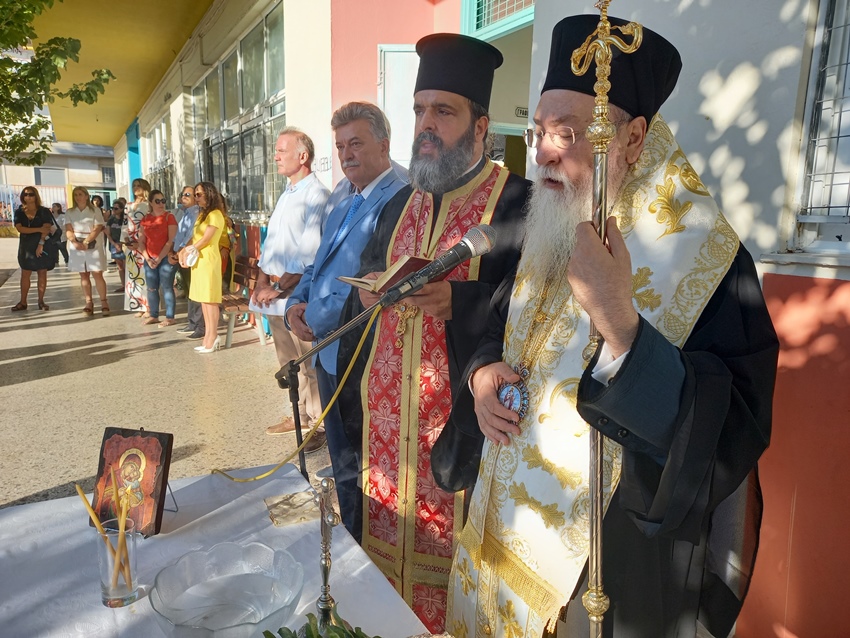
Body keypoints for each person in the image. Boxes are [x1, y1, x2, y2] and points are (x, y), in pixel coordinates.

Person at [437, 15, 780, 638]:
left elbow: (734, 430)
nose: (542, 150)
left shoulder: (711, 261)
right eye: (540, 129)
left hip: (609, 568)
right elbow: (504, 325)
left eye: (568, 132)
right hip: (498, 535)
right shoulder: (553, 216)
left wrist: (621, 324)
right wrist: (482, 369)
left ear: (633, 138)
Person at [335, 34, 530, 632]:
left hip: (461, 441)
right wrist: (364, 295)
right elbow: (359, 307)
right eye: (420, 109)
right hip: (385, 450)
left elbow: (530, 317)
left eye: (443, 111)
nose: (426, 124)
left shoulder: (517, 205)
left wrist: (459, 300)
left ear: (480, 125)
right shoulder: (398, 207)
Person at [285, 102, 408, 540]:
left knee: (365, 464)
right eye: (340, 146)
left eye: (356, 143)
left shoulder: (405, 196)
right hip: (326, 351)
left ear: (384, 144)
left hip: (365, 354)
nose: (347, 153)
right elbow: (319, 263)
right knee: (341, 459)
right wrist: (295, 304)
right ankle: (352, 537)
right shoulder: (342, 196)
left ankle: (365, 547)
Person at [251, 127, 330, 453]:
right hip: (276, 298)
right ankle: (297, 416)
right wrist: (260, 282)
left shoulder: (317, 196)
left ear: (303, 156)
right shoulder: (287, 193)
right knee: (287, 363)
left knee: (309, 364)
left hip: (297, 299)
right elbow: (273, 245)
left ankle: (319, 424)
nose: (276, 156)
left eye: (282, 150)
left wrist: (279, 288)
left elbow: (308, 256)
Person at [178, 181, 226, 353]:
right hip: (199, 260)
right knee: (204, 300)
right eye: (194, 194)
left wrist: (189, 250)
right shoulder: (202, 215)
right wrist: (184, 250)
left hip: (209, 260)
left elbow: (206, 239)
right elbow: (195, 237)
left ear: (209, 194)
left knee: (210, 300)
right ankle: (207, 336)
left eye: (198, 194)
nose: (196, 197)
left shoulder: (215, 214)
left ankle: (213, 336)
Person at [65, 186, 110, 315]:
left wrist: (86, 242)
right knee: (83, 274)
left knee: (97, 273)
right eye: (76, 195)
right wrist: (74, 241)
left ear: (86, 196)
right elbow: (68, 228)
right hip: (77, 244)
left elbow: (97, 228)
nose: (78, 197)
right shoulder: (70, 212)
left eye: (81, 194)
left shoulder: (95, 210)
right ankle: (88, 301)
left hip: (93, 244)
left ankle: (104, 301)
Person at [138, 189, 178, 327]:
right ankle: (154, 314)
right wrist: (148, 258)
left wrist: (159, 258)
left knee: (167, 287)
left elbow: (171, 241)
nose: (161, 204)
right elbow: (141, 241)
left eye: (163, 201)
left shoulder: (169, 217)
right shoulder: (145, 219)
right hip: (150, 257)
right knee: (151, 288)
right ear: (150, 202)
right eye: (157, 201)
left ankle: (170, 317)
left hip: (165, 258)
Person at [12, 187, 56, 311]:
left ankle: (41, 301)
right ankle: (23, 302)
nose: (28, 197)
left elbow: (47, 227)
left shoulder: (44, 211)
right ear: (22, 197)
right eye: (25, 194)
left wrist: (41, 243)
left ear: (36, 196)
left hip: (42, 244)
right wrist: (38, 229)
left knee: (42, 272)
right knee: (25, 273)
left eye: (31, 194)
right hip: (26, 247)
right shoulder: (19, 212)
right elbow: (20, 229)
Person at [171, 186, 204, 338]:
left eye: (188, 195)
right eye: (182, 194)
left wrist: (182, 252)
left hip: (188, 256)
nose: (183, 197)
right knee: (190, 292)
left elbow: (191, 236)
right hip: (180, 254)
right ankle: (192, 322)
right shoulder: (185, 213)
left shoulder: (196, 213)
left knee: (195, 292)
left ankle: (198, 325)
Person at [124, 178, 151, 316]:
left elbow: (151, 225)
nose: (136, 188)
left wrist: (140, 242)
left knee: (145, 275)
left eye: (139, 186)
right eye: (134, 186)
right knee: (133, 275)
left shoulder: (149, 205)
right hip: (130, 244)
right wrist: (125, 239)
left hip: (143, 243)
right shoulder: (128, 205)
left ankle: (148, 306)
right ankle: (138, 305)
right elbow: (125, 224)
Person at [105, 200, 126, 292]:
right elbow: (108, 234)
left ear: (121, 209)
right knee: (120, 266)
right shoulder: (111, 219)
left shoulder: (125, 219)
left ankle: (129, 284)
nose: (114, 210)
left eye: (116, 208)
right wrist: (114, 244)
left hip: (124, 244)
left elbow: (127, 233)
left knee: (126, 265)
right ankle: (123, 285)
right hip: (114, 244)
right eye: (112, 208)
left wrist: (121, 244)